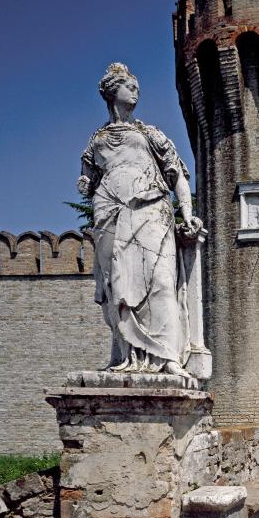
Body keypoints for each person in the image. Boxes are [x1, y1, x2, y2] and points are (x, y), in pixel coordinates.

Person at [79, 63, 203, 376]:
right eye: (129, 86)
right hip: (109, 216)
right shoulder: (96, 142)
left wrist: (186, 214)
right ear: (111, 92)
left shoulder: (150, 134)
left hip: (151, 212)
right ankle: (126, 357)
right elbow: (87, 180)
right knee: (118, 289)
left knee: (161, 282)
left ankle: (167, 358)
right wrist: (84, 183)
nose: (135, 91)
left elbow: (178, 176)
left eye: (136, 86)